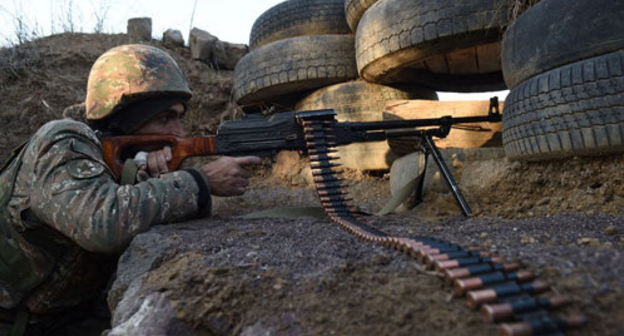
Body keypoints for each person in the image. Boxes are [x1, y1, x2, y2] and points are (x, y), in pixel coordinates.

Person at [0, 44, 261, 335]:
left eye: (179, 117)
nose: (180, 132)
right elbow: (103, 222)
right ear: (125, 119)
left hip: (65, 317)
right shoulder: (61, 141)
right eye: (164, 118)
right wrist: (200, 182)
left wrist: (143, 180)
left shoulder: (113, 162)